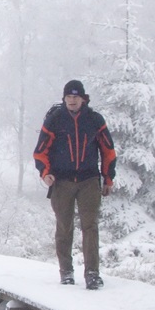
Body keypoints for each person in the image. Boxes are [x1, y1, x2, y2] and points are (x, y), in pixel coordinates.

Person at [33, 79, 116, 289]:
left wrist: (108, 178)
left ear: (83, 98)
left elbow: (108, 151)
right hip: (62, 181)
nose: (72, 100)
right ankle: (66, 272)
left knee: (90, 226)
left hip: (89, 180)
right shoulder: (55, 120)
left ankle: (92, 273)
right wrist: (45, 173)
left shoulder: (94, 120)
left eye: (75, 97)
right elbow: (40, 151)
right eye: (68, 97)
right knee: (64, 226)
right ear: (64, 98)